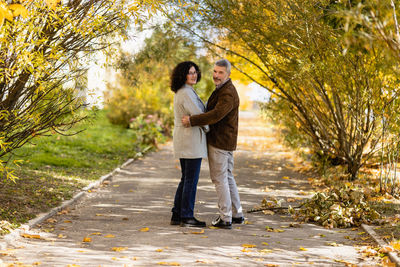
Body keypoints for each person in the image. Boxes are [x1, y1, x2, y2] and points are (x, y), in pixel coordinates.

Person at [182, 59, 244, 229]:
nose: (216, 75)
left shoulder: (227, 93)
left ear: (228, 74)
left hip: (220, 141)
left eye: (220, 73)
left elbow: (216, 115)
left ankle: (225, 218)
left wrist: (192, 120)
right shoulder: (223, 89)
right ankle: (237, 214)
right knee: (228, 176)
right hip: (225, 140)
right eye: (215, 71)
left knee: (219, 179)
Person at [170, 61, 209, 227]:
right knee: (190, 180)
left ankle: (177, 214)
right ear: (182, 75)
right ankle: (187, 216)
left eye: (195, 72)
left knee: (186, 178)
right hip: (190, 141)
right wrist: (209, 128)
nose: (194, 75)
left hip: (185, 140)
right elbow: (199, 115)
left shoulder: (184, 91)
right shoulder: (186, 93)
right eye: (190, 72)